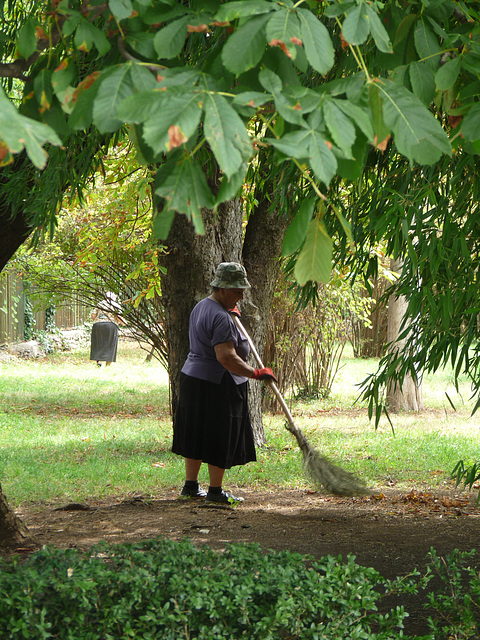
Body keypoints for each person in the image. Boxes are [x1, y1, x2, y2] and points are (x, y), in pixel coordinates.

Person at [172, 262, 277, 507]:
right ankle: (215, 491)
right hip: (217, 384)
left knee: (197, 432)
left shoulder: (202, 306)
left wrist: (229, 314)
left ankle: (190, 486)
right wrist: (256, 373)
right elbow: (226, 357)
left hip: (193, 379)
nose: (241, 295)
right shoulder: (221, 317)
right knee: (219, 434)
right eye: (237, 290)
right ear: (221, 289)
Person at [90, 291, 125, 367]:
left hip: (98, 325)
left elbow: (93, 316)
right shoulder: (115, 305)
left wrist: (99, 321)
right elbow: (119, 317)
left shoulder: (100, 304)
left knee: (98, 343)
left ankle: (99, 362)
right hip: (111, 325)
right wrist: (123, 323)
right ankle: (108, 364)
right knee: (111, 344)